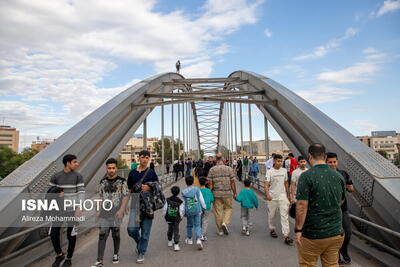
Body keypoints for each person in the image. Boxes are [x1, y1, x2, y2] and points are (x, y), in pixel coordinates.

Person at [295, 144, 345, 267]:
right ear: (325, 156)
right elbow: (341, 201)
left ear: (309, 156)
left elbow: (301, 205)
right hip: (336, 232)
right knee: (332, 264)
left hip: (313, 233)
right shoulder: (338, 176)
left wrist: (298, 229)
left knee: (308, 264)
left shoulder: (306, 176)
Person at [92, 158, 129, 267]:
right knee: (102, 234)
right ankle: (99, 261)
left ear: (116, 168)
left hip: (117, 212)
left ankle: (116, 254)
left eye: (113, 168)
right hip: (104, 212)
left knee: (115, 234)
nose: (111, 170)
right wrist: (98, 211)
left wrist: (122, 210)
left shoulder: (122, 181)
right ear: (106, 169)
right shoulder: (102, 182)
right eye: (109, 168)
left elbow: (126, 196)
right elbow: (100, 197)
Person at [49, 154, 85, 267]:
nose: (77, 164)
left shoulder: (78, 176)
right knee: (53, 233)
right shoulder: (55, 176)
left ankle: (69, 258)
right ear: (68, 163)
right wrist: (57, 194)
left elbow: (81, 192)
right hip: (58, 210)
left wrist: (79, 207)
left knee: (71, 235)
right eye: (74, 162)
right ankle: (60, 255)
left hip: (72, 210)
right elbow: (50, 192)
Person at [127, 150, 162, 264]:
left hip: (148, 205)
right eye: (143, 157)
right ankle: (139, 242)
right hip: (135, 203)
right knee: (131, 230)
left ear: (149, 159)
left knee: (145, 232)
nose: (145, 159)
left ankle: (141, 252)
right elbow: (129, 189)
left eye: (147, 157)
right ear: (139, 158)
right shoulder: (132, 173)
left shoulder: (151, 172)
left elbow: (158, 186)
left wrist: (150, 187)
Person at [326, 152, 354, 265]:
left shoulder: (343, 173)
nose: (333, 164)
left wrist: (348, 187)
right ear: (325, 162)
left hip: (343, 209)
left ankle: (343, 250)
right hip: (329, 210)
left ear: (337, 161)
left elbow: (351, 188)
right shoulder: (323, 175)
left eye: (334, 162)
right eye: (330, 162)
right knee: (333, 235)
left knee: (347, 233)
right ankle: (336, 256)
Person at [264, 154, 293, 245]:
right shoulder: (270, 172)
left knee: (284, 216)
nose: (280, 163)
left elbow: (286, 183)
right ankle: (272, 229)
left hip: (282, 197)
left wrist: (288, 195)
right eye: (278, 161)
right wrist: (267, 194)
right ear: (274, 161)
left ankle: (286, 235)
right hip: (272, 197)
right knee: (272, 215)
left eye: (281, 161)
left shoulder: (284, 171)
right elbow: (266, 184)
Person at [207, 153, 237, 236]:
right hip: (227, 193)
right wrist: (234, 193)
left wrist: (209, 194)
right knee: (228, 208)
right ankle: (224, 222)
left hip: (216, 194)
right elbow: (232, 182)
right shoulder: (229, 169)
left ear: (215, 159)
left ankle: (220, 230)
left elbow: (210, 183)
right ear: (223, 159)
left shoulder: (212, 169)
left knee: (217, 211)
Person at [182, 176, 206, 250]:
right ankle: (198, 239)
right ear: (193, 181)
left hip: (189, 211)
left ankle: (189, 239)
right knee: (197, 225)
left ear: (186, 182)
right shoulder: (197, 189)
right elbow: (201, 199)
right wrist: (204, 207)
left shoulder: (183, 192)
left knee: (189, 225)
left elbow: (183, 203)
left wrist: (182, 213)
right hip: (197, 210)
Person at [163, 186, 185, 252]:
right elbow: (181, 210)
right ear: (178, 193)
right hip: (176, 218)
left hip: (169, 217)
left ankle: (169, 241)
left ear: (171, 192)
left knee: (170, 229)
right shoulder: (180, 201)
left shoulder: (167, 200)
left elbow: (165, 209)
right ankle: (176, 244)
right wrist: (181, 217)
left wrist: (165, 216)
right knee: (176, 230)